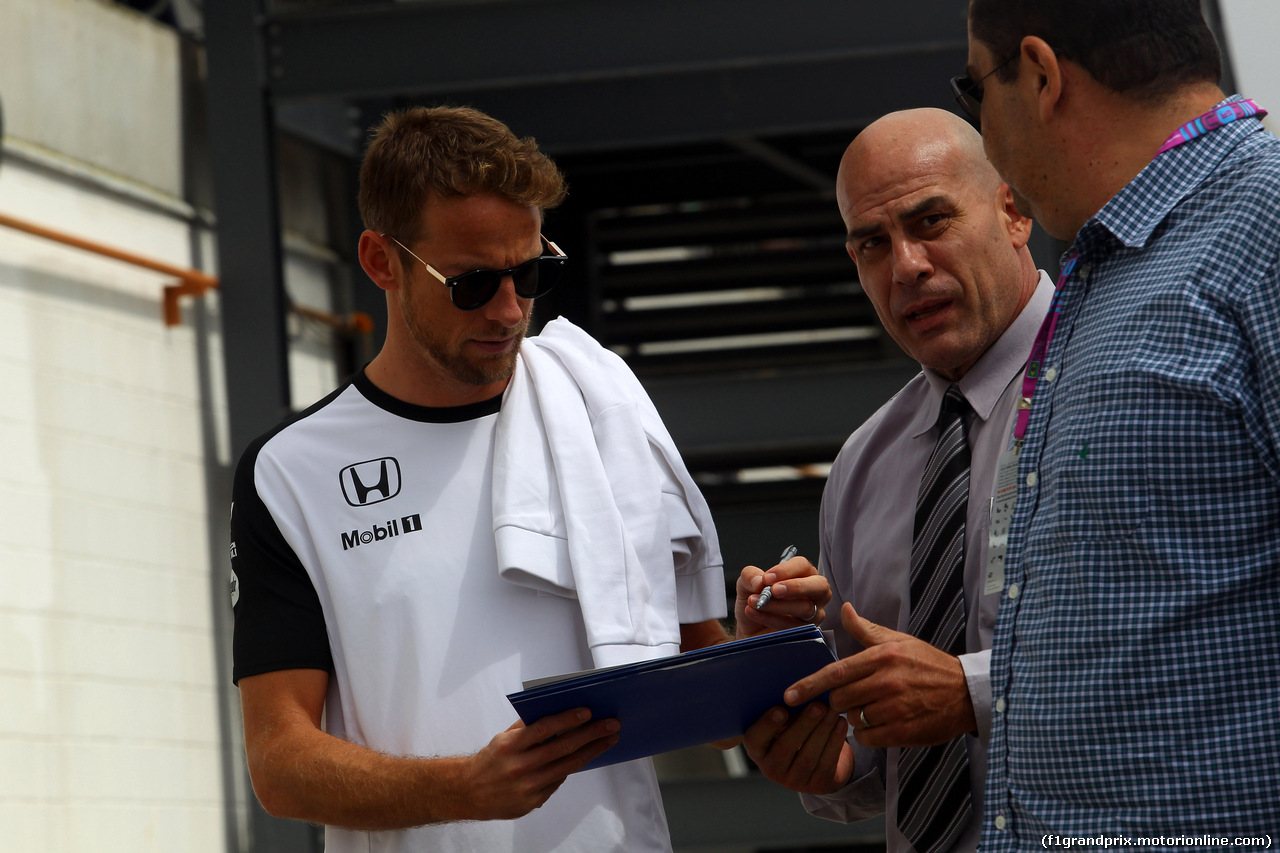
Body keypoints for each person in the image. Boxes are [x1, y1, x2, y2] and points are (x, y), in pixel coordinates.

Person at [227, 105, 829, 853]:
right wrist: (463, 789)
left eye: (532, 272)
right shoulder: (291, 471)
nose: (511, 310)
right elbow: (279, 761)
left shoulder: (595, 408)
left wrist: (758, 646)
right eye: (474, 283)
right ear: (382, 261)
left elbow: (697, 698)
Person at [961, 0, 1280, 847]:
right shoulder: (1107, 268)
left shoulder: (1265, 222)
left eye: (974, 87)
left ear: (1040, 73)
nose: (982, 133)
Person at [741, 108, 1052, 853]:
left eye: (931, 219)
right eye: (871, 243)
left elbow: (1185, 640)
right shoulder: (861, 467)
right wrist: (816, 739)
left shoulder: (1113, 383)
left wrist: (970, 692)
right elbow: (881, 766)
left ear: (1013, 211)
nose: (905, 265)